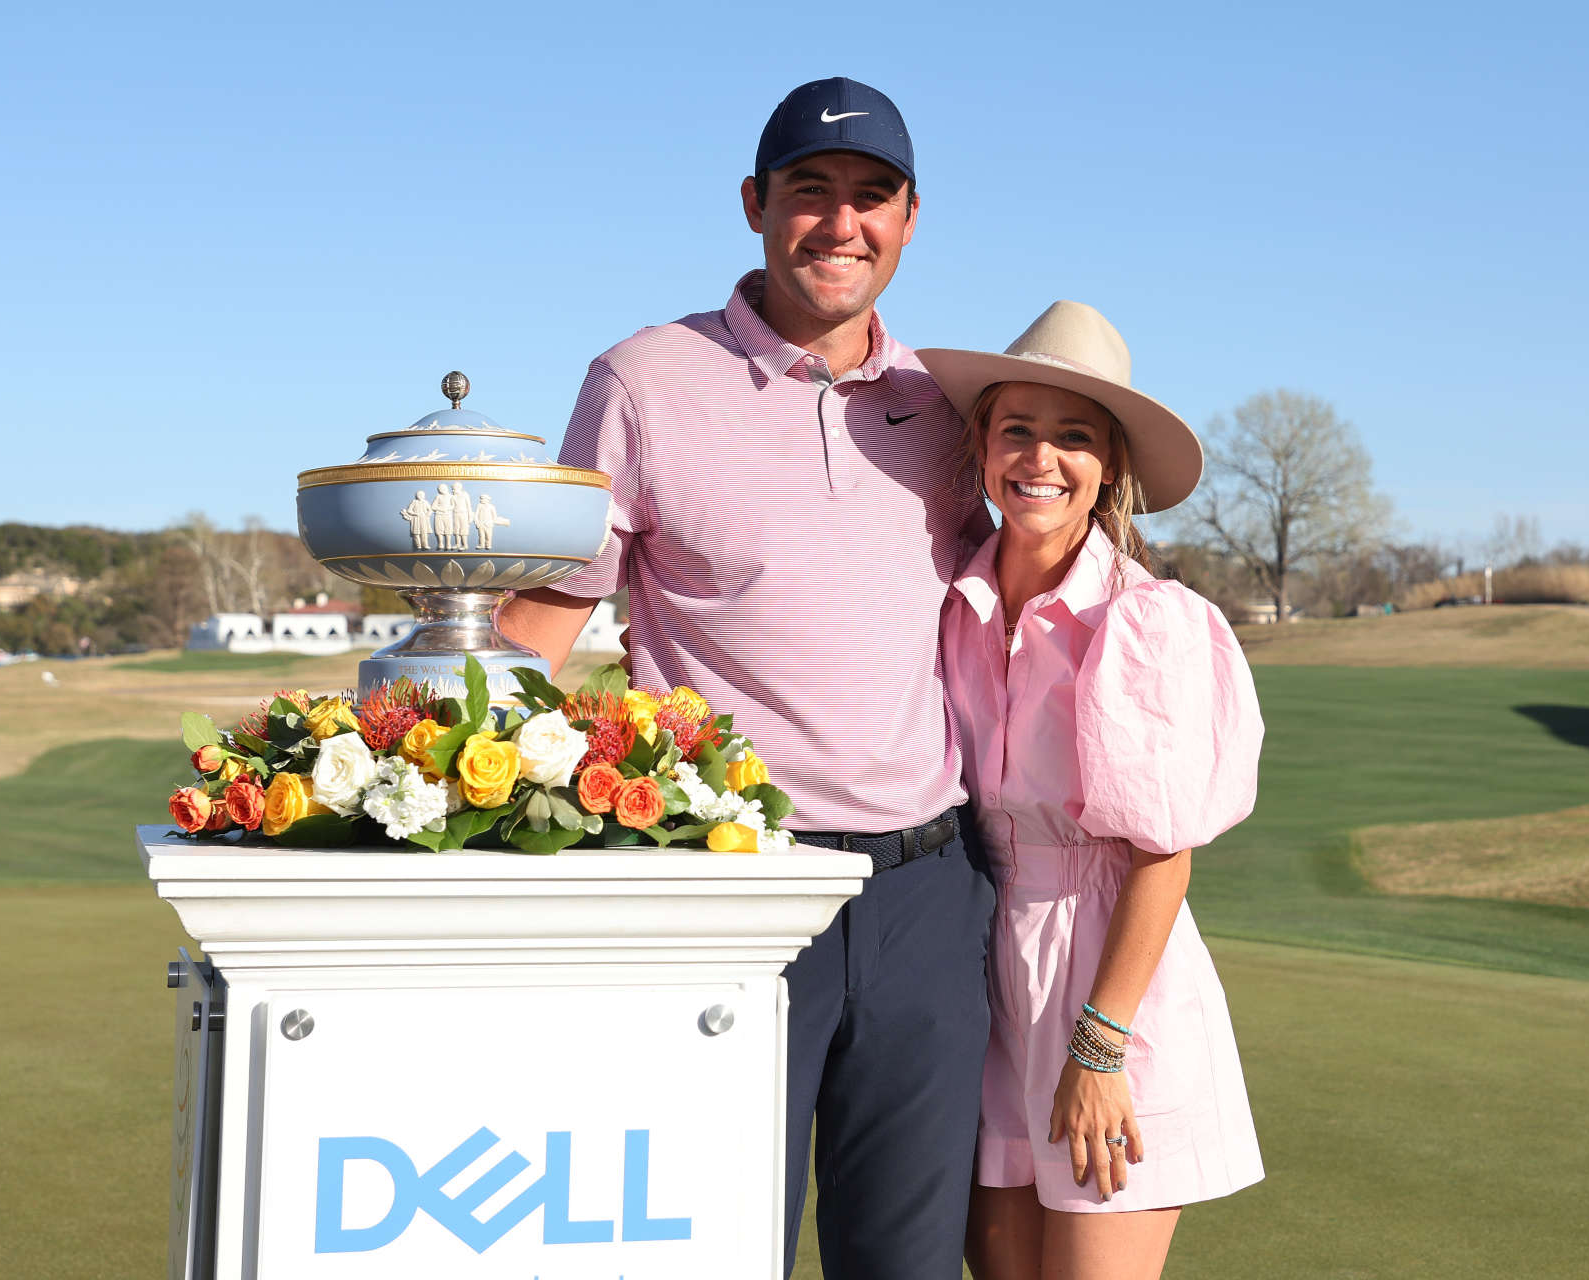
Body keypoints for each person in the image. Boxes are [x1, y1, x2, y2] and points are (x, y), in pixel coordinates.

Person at [498, 77, 996, 1280]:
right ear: (754, 205)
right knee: (713, 1250)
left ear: (912, 217)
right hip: (732, 889)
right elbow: (540, 628)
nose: (841, 224)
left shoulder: (945, 407)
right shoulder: (642, 379)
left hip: (930, 893)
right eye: (809, 193)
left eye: (870, 197)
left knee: (909, 1264)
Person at [918, 302, 1265, 1279]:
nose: (1041, 457)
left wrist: (1102, 1043)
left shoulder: (1148, 622)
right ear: (982, 444)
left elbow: (1163, 851)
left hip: (1112, 983)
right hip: (982, 978)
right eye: (1017, 427)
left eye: (1074, 436)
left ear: (1109, 465)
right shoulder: (949, 600)